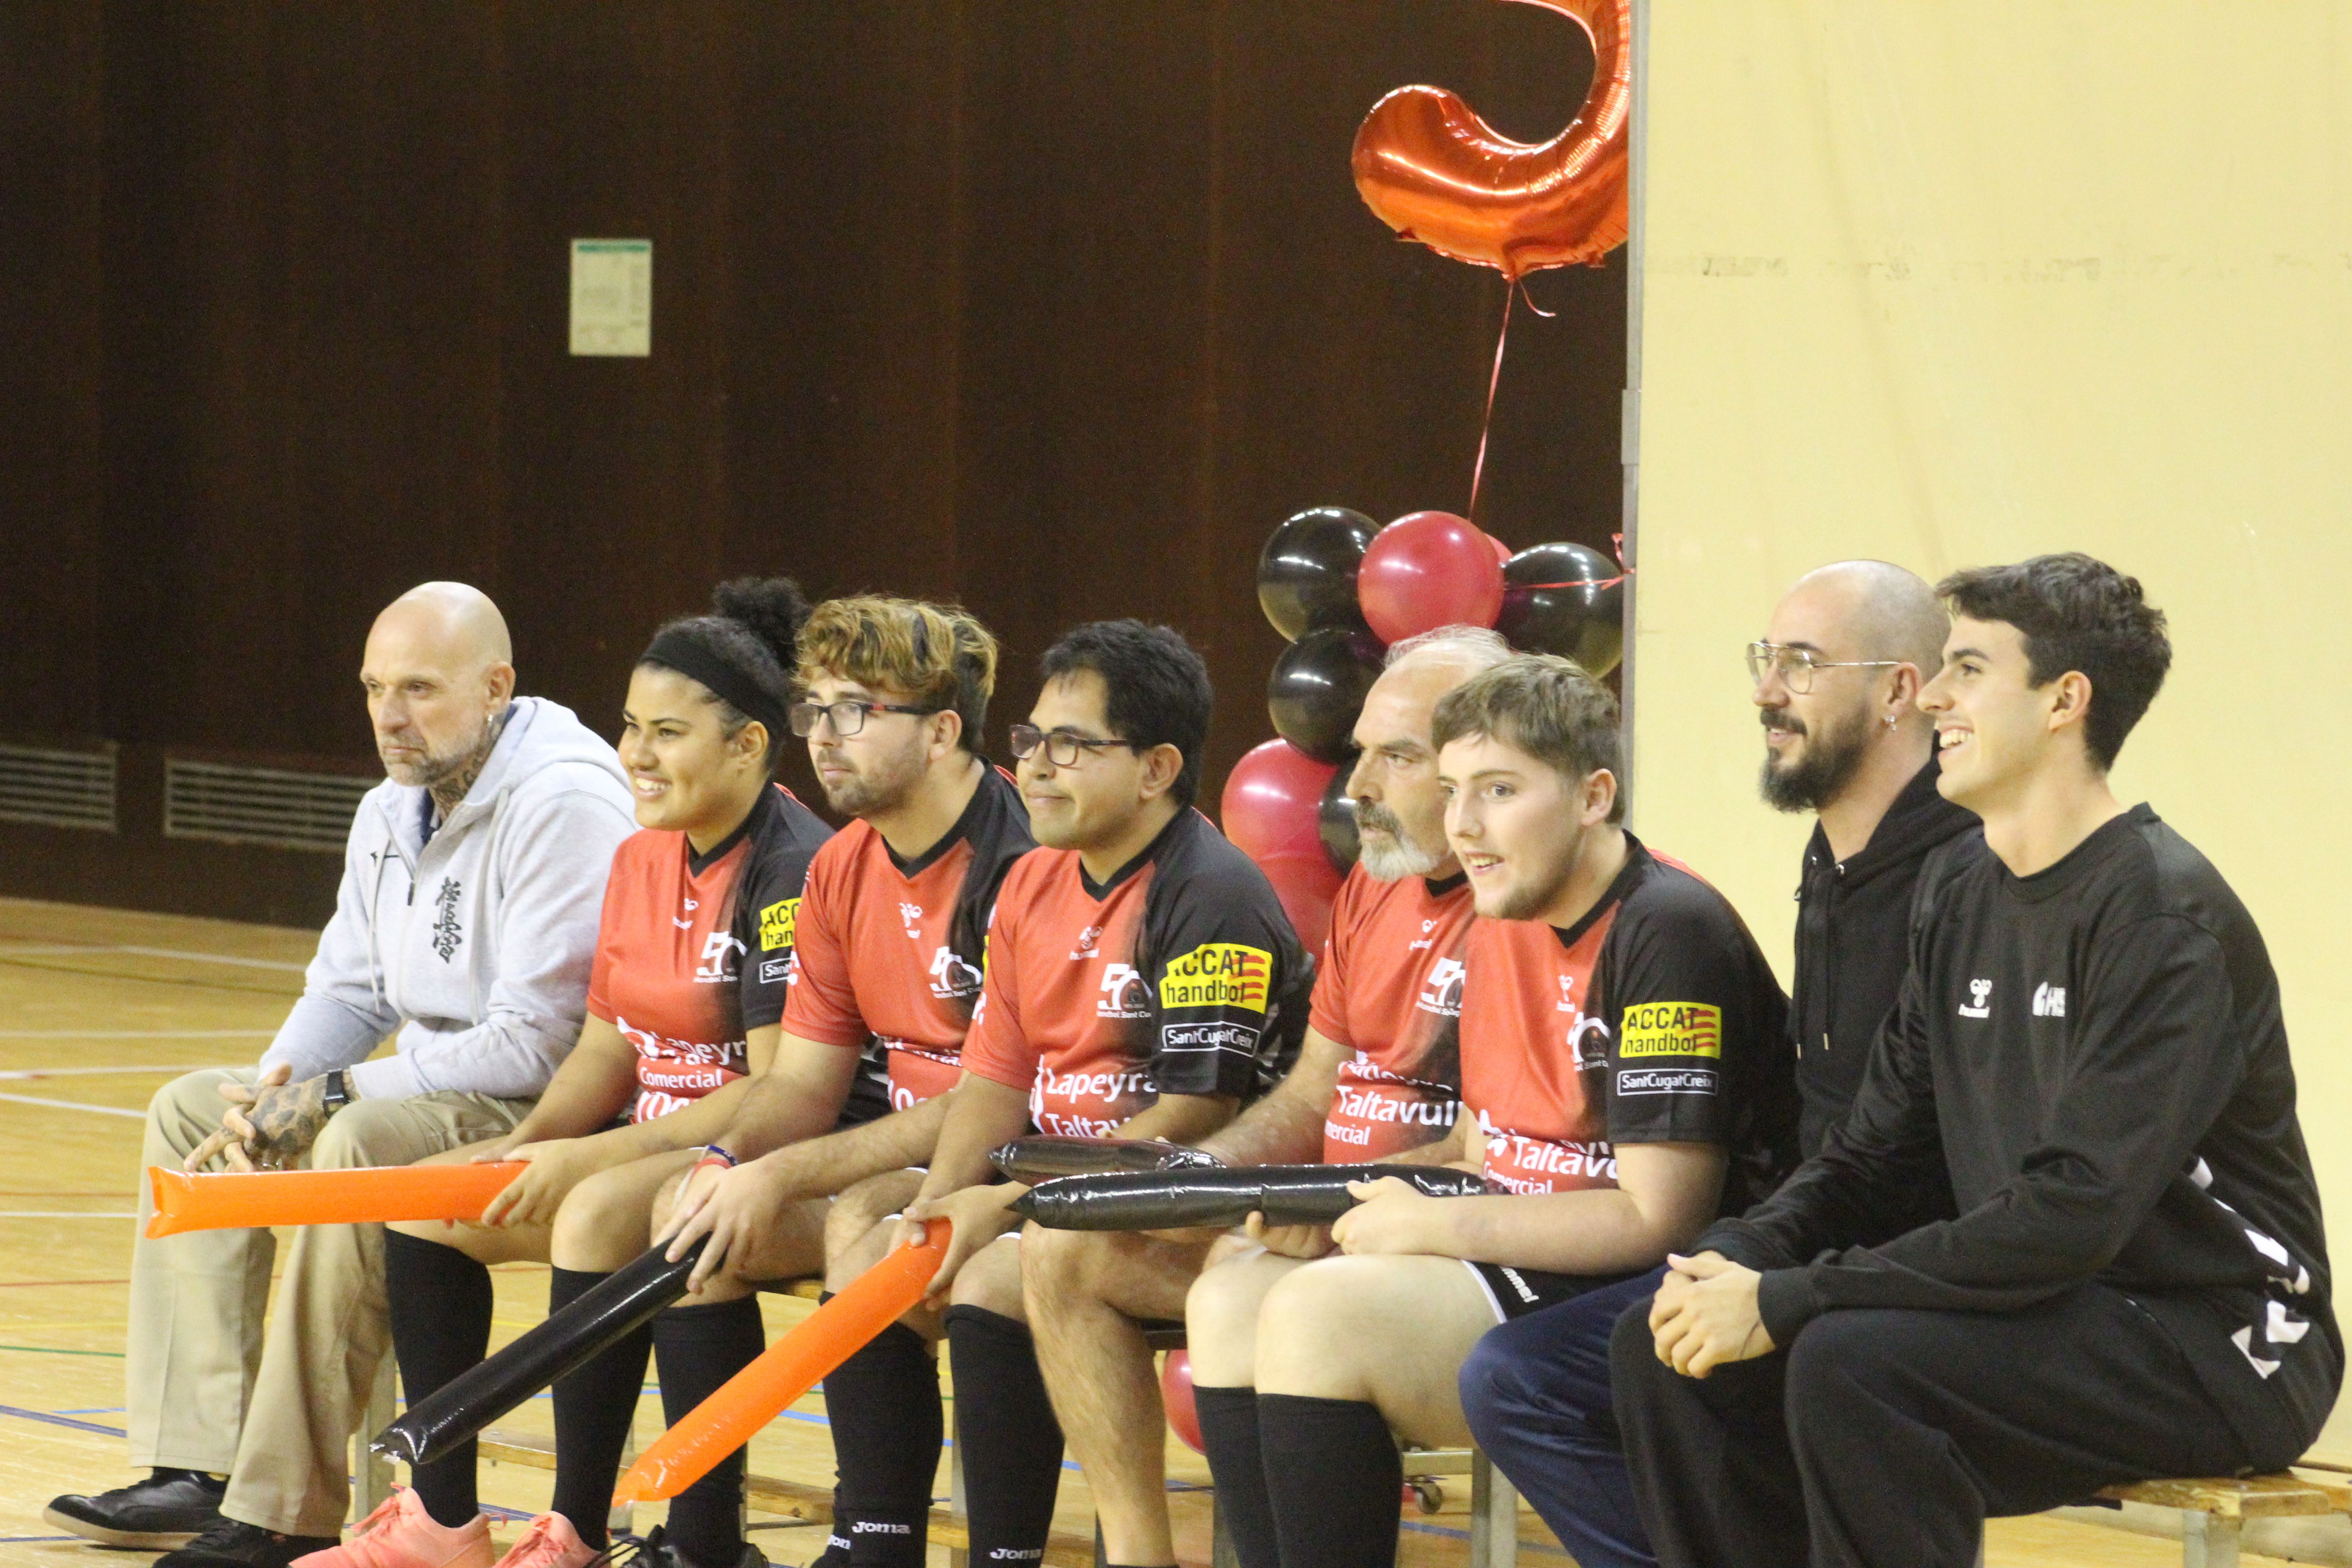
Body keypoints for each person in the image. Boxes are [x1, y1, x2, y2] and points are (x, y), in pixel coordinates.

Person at [1615, 553, 2339, 1568]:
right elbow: (1870, 1156)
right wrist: (1742, 1256)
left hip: (2221, 1335)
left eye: (1969, 670)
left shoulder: (2164, 917)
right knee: (1668, 1354)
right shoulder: (1962, 887)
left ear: (2064, 702)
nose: (1938, 697)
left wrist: (1793, 1298)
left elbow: (2069, 1216)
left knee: (1854, 1366)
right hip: (2066, 1308)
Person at [47, 584, 637, 1567]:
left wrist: (336, 1097)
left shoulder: (566, 800)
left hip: (545, 1106)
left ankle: (288, 1509)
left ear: (496, 688)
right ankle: (198, 1466)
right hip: (430, 1084)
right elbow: (351, 993)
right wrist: (273, 1090)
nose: (389, 716)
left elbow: (538, 1041)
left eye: (419, 688)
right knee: (189, 1111)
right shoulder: (387, 806)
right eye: (374, 688)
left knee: (361, 1144)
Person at [1186, 653, 1795, 1568]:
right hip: (1527, 1236)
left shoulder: (1668, 928)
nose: (1464, 826)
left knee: (1316, 1319)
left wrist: (1427, 1226)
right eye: (1452, 789)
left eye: (1500, 790)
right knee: (1229, 1295)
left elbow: (1656, 1216)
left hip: (1660, 1276)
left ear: (1594, 797)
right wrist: (1340, 1208)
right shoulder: (1503, 909)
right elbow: (1481, 1141)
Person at [301, 578, 858, 1568]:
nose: (636, 754)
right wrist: (530, 1143)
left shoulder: (792, 870)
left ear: (750, 745)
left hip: (768, 1139)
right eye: (632, 726)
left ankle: (579, 1529)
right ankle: (439, 1521)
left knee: (601, 1208)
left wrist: (581, 1161)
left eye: (669, 733)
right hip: (659, 1131)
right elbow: (605, 1045)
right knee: (437, 1200)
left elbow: (780, 1088)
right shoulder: (643, 854)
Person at [1458, 560, 1975, 1568]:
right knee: (1610, 1357)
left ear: (1900, 691)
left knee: (1583, 1368)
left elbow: (1923, 1149)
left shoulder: (1957, 874)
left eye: (1802, 665)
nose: (1765, 691)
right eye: (1765, 659)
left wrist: (1760, 1264)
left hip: (1907, 1260)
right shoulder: (1832, 858)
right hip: (1822, 1229)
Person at [1019, 626, 1509, 1568]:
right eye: (1360, 751)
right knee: (1066, 1251)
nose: (1356, 786)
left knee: (1265, 1299)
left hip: (1417, 1234)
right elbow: (1310, 1091)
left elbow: (1481, 1154)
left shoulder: (1515, 908)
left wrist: (1328, 1208)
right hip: (1321, 1214)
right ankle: (1138, 1556)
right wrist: (1195, 1176)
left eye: (1393, 757)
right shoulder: (1376, 883)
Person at [834, 618, 1311, 1568]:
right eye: (1031, 741)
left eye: (1072, 746)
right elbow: (995, 1081)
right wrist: (938, 1201)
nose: (1038, 769)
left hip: (1201, 1206)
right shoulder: (1028, 884)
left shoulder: (1210, 890)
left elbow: (1194, 1118)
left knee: (1012, 1263)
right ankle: (880, 1543)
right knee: (873, 1231)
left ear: (1157, 768)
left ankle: (1068, 1553)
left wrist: (1007, 1199)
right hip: (1061, 1186)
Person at [647, 595, 1033, 1568]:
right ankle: (702, 1547)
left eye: (857, 710)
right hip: (919, 1161)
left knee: (864, 1219)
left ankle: (875, 1542)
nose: (822, 737)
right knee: (686, 1212)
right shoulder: (841, 867)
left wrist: (785, 1174)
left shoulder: (1023, 862)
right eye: (813, 709)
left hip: (1019, 1161)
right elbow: (805, 1084)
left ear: (943, 731)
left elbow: (995, 1097)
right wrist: (734, 1160)